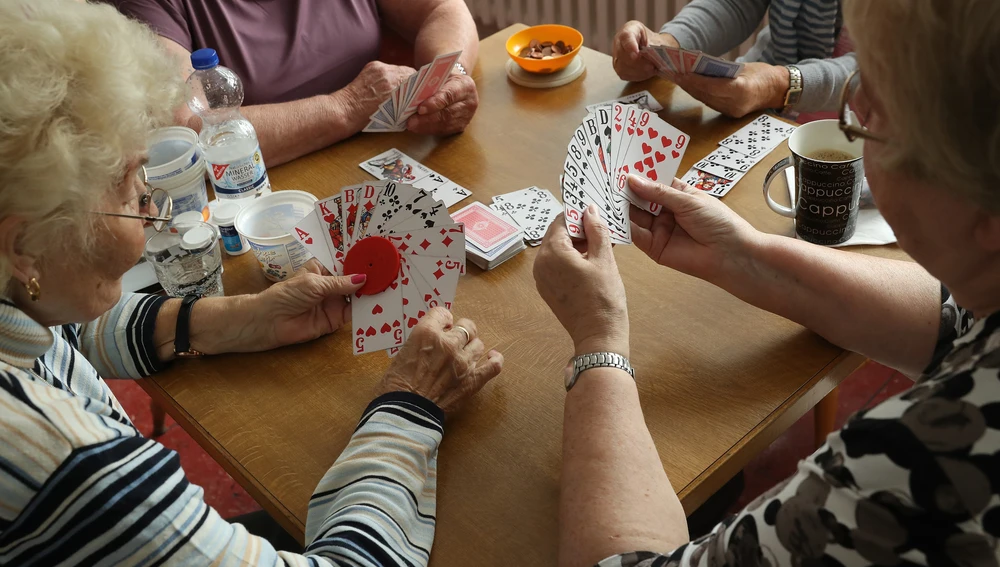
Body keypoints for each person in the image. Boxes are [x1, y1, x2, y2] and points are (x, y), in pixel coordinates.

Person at [0, 1, 502, 564]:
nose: (155, 221)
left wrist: (237, 319)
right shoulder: (68, 465)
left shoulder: (18, 295)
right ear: (24, 247)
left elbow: (69, 336)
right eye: (132, 197)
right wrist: (409, 406)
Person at [536, 0, 1000, 564]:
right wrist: (745, 255)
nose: (855, 112)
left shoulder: (916, 466)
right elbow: (952, 321)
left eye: (871, 114)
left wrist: (597, 340)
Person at [103, 0, 480, 166]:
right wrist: (345, 106)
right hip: (264, 196)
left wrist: (450, 79)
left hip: (390, 155)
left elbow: (443, 9)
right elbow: (186, 128)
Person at [612, 0, 854, 118]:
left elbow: (888, 75)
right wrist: (667, 44)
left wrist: (779, 86)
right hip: (764, 89)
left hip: (866, 131)